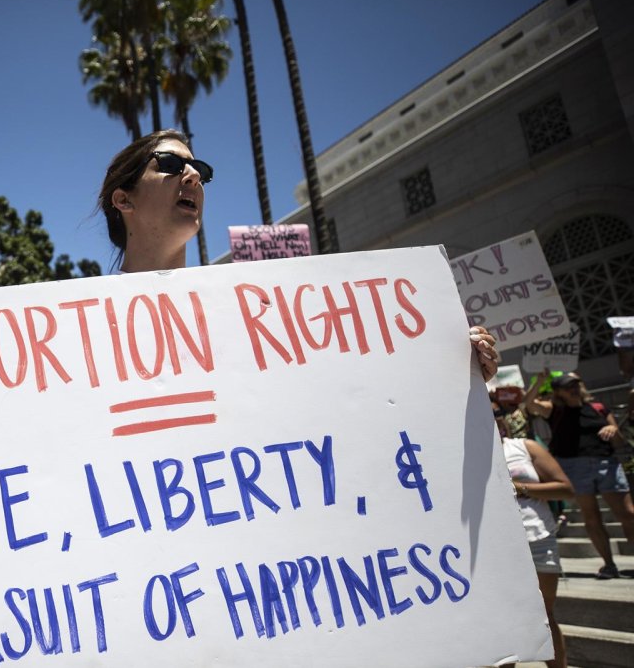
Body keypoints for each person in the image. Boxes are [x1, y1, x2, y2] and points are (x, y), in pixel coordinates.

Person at [94, 130, 501, 374]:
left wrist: (446, 365)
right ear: (123, 200)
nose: (196, 175)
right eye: (169, 163)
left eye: (202, 169)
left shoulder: (247, 311)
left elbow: (338, 391)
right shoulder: (87, 326)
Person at [527, 371, 634, 579]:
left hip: (606, 464)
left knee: (628, 514)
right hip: (574, 466)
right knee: (591, 517)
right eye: (568, 386)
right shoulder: (554, 410)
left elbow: (619, 441)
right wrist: (540, 381)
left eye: (576, 384)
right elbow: (529, 404)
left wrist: (613, 429)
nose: (574, 389)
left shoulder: (597, 407)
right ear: (559, 392)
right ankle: (609, 564)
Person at [494, 401, 574, 668]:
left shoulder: (524, 447)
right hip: (494, 548)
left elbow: (565, 488)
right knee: (503, 621)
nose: (492, 419)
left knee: (544, 616)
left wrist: (520, 488)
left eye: (495, 413)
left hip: (537, 539)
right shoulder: (462, 455)